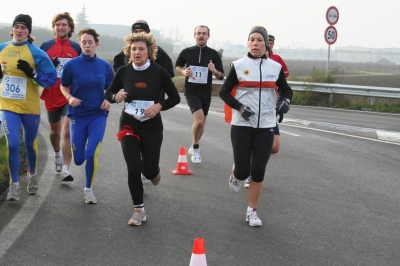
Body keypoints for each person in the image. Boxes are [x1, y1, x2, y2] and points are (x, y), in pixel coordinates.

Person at [219, 26, 292, 226]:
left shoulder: (274, 68)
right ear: (248, 43)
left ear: (266, 44)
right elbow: (224, 93)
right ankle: (236, 173)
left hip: (266, 125)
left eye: (260, 40)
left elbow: (287, 90)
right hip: (242, 124)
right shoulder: (239, 66)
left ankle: (252, 211)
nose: (255, 43)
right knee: (243, 172)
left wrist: (284, 102)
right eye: (252, 39)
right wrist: (240, 108)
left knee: (258, 170)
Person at [105, 33, 180, 225]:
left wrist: (159, 106)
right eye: (134, 49)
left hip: (152, 128)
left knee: (148, 170)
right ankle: (138, 210)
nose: (137, 52)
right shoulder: (124, 71)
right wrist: (116, 97)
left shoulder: (158, 72)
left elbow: (175, 97)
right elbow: (110, 92)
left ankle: (153, 172)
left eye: (141, 49)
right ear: (129, 52)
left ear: (149, 52)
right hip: (129, 124)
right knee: (133, 167)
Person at [0, 14, 57, 201]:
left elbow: (50, 80)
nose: (19, 30)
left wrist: (32, 73)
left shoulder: (37, 54)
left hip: (29, 108)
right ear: (12, 29)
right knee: (13, 143)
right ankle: (14, 184)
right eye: (16, 26)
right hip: (8, 106)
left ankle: (32, 175)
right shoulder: (2, 49)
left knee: (29, 144)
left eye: (23, 27)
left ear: (28, 31)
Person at [60, 28, 114, 204]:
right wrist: (69, 97)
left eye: (90, 42)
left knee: (92, 154)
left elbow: (111, 89)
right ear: (80, 44)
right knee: (79, 159)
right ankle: (76, 163)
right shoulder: (71, 65)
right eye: (84, 42)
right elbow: (63, 85)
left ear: (96, 44)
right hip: (78, 115)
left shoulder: (105, 66)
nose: (87, 45)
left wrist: (109, 100)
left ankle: (88, 190)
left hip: (98, 114)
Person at [244, 33, 290, 188]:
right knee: (253, 146)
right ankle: (251, 172)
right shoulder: (246, 65)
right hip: (251, 112)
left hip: (268, 110)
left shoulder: (276, 64)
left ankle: (254, 162)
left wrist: (284, 102)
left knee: (275, 147)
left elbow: (285, 87)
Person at [40, 12, 81, 181]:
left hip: (69, 95)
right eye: (57, 25)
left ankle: (66, 169)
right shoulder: (45, 46)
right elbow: (38, 71)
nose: (61, 27)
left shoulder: (76, 48)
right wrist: (50, 66)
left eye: (64, 25)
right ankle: (57, 154)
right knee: (54, 132)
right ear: (53, 28)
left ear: (70, 28)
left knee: (66, 132)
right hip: (51, 94)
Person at [175, 25, 224, 163]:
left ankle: (193, 144)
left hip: (206, 92)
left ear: (208, 36)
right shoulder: (187, 52)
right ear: (194, 35)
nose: (201, 35)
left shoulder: (213, 54)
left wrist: (214, 70)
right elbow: (177, 66)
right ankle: (196, 147)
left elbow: (221, 76)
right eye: (198, 33)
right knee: (199, 121)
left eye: (204, 33)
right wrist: (184, 72)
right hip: (191, 91)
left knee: (201, 124)